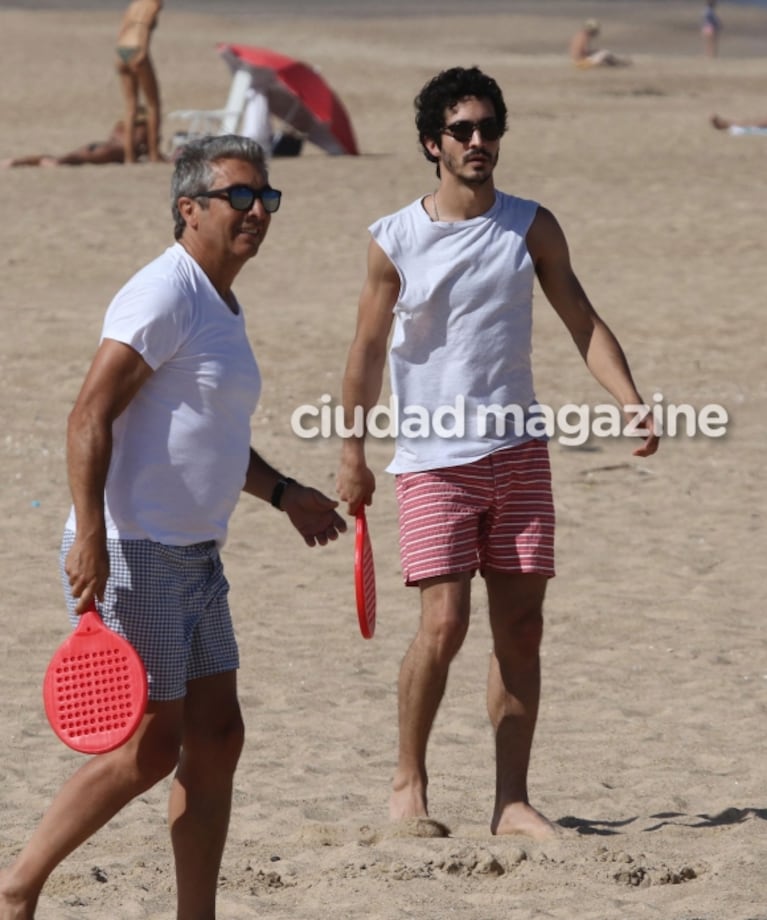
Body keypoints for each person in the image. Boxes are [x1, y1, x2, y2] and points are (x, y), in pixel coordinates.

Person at [0, 134, 346, 919]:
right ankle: (16, 887)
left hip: (194, 553)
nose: (258, 211)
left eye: (266, 198)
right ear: (188, 209)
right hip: (137, 547)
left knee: (217, 738)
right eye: (240, 197)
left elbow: (209, 433)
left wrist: (283, 491)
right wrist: (89, 530)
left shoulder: (219, 301)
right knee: (150, 748)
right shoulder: (165, 292)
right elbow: (89, 412)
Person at [335, 67, 659, 841]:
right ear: (431, 144)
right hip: (432, 461)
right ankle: (407, 781)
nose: (478, 142)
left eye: (488, 129)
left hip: (518, 453)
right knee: (442, 625)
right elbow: (367, 352)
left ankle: (509, 801)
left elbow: (580, 318)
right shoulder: (394, 240)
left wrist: (629, 396)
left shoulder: (529, 225)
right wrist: (351, 448)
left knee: (521, 629)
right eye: (462, 131)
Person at [0, 116, 150, 168]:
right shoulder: (141, 129)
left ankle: (18, 161)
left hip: (99, 145)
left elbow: (112, 138)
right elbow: (136, 147)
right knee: (73, 159)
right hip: (110, 151)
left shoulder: (121, 126)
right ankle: (54, 162)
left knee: (68, 156)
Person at [115, 0, 163, 162]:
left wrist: (118, 56)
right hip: (138, 47)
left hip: (122, 49)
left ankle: (129, 157)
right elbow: (143, 27)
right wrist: (142, 50)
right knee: (153, 104)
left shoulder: (134, 4)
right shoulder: (153, 4)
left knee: (130, 105)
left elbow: (123, 29)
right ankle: (154, 154)